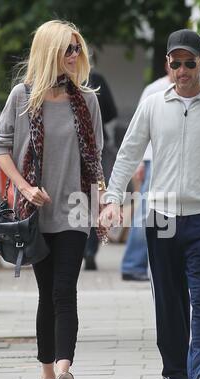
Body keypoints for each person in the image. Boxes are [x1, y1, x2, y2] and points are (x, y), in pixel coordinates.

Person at [100, 29, 200, 379]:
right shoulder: (153, 104)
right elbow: (128, 154)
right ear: (168, 64)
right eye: (175, 63)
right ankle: (175, 377)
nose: (182, 70)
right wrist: (112, 199)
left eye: (189, 62)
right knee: (168, 300)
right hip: (161, 219)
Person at [0, 20, 106, 379]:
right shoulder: (22, 98)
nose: (75, 56)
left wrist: (103, 202)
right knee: (46, 295)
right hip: (34, 216)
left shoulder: (86, 100)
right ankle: (45, 376)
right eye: (68, 49)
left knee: (64, 291)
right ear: (49, 52)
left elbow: (96, 159)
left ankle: (62, 372)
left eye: (78, 49)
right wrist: (24, 187)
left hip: (74, 211)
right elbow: (1, 149)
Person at [121, 65, 173, 281]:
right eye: (175, 62)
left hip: (174, 162)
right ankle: (133, 264)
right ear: (167, 63)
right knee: (146, 213)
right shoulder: (155, 89)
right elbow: (139, 129)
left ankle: (149, 265)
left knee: (166, 215)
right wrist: (140, 162)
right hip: (154, 159)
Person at [84, 71, 118, 270]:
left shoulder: (61, 78)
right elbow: (112, 112)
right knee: (95, 199)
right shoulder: (97, 79)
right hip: (98, 144)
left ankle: (80, 248)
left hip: (73, 147)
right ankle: (90, 249)